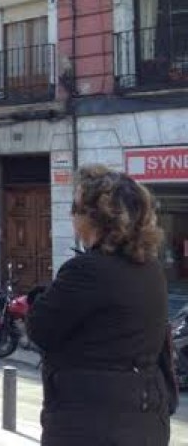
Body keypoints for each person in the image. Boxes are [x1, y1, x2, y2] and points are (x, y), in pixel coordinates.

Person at [26, 165, 174, 446]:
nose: (71, 215)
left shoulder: (87, 270)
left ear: (96, 219)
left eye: (75, 207)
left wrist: (38, 298)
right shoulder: (150, 268)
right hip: (146, 415)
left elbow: (40, 329)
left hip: (93, 420)